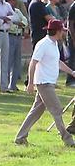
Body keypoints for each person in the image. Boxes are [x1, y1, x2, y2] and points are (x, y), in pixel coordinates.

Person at [14, 19, 75, 147]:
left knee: (36, 111)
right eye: (62, 31)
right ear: (57, 32)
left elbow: (57, 62)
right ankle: (68, 139)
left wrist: (72, 72)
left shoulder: (53, 44)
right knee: (57, 109)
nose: (63, 33)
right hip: (44, 83)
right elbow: (33, 63)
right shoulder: (43, 44)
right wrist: (30, 83)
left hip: (49, 82)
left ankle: (20, 137)